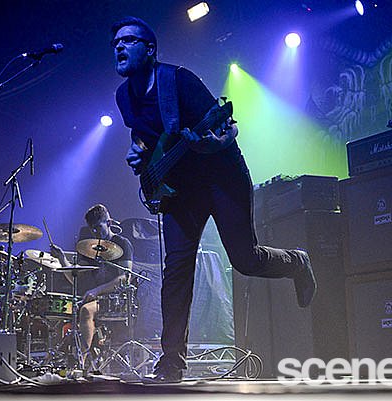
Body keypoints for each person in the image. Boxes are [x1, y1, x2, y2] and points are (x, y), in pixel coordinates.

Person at [111, 17, 317, 383]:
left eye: (128, 40)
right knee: (176, 271)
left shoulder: (180, 81)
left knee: (245, 260)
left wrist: (209, 144)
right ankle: (171, 363)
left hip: (222, 176)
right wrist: (138, 151)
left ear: (150, 49)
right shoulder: (124, 96)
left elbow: (226, 127)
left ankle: (296, 262)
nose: (119, 47)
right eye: (116, 43)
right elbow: (143, 134)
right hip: (180, 188)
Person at [51, 204, 133, 354]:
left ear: (109, 223)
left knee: (86, 311)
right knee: (61, 312)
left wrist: (97, 291)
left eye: (98, 227)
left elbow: (125, 278)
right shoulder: (90, 248)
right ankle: (64, 358)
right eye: (92, 229)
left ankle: (82, 358)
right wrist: (62, 258)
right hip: (94, 297)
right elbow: (76, 279)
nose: (96, 233)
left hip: (114, 300)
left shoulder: (122, 244)